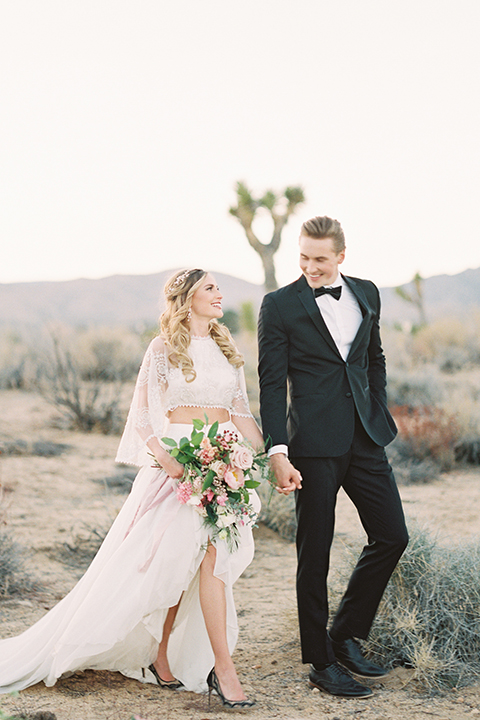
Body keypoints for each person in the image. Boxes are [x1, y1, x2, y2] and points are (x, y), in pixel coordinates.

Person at [0, 268, 264, 709]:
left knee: (213, 562)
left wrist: (273, 455)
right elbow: (142, 418)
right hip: (178, 468)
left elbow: (241, 416)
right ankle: (166, 657)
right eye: (210, 288)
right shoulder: (162, 349)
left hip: (224, 469)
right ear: (187, 298)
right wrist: (168, 461)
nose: (220, 294)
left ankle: (219, 666)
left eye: (219, 288)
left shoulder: (227, 351)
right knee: (176, 567)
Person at [257, 216, 409, 698]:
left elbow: (373, 358)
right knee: (314, 551)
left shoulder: (367, 292)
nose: (310, 267)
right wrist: (277, 451)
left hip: (365, 438)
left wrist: (377, 406)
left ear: (341, 256)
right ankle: (320, 662)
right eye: (302, 257)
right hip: (312, 446)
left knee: (391, 535)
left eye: (319, 259)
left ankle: (343, 635)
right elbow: (269, 384)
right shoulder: (279, 305)